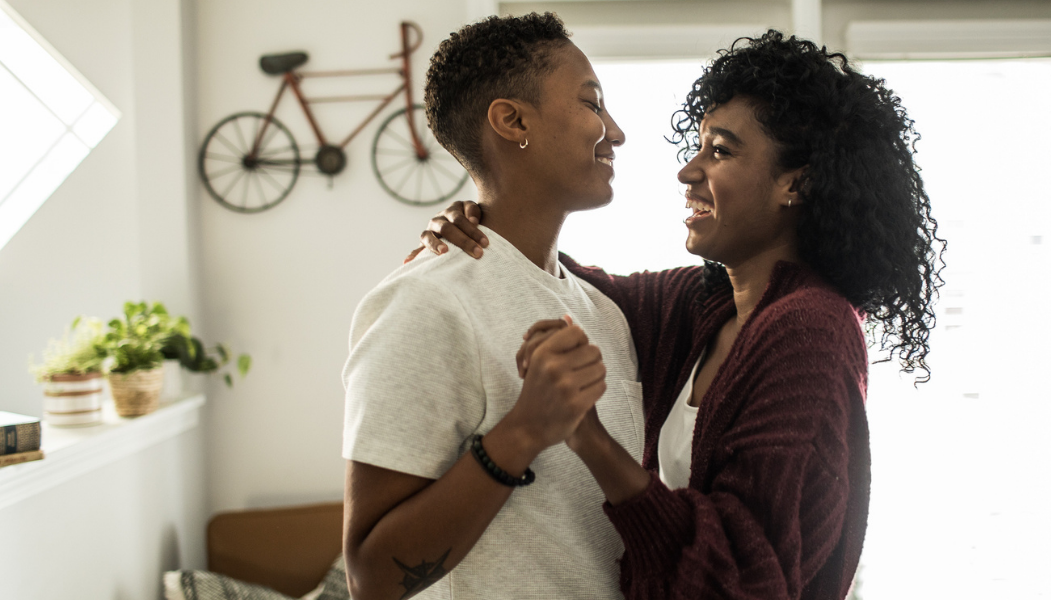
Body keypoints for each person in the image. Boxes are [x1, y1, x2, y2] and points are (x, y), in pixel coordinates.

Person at [416, 31, 944, 599]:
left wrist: (590, 439)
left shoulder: (812, 329)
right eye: (697, 147)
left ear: (796, 183)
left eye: (720, 151)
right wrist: (479, 224)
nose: (687, 172)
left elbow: (747, 579)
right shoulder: (701, 304)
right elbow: (569, 281)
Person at [341, 13, 640, 600]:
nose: (616, 131)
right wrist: (523, 431)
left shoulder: (606, 312)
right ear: (513, 120)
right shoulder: (425, 303)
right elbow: (372, 581)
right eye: (593, 103)